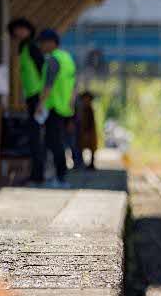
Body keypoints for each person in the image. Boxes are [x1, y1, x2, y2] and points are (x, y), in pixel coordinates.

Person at [36, 29, 76, 188]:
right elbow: (73, 84)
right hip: (64, 108)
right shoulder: (67, 59)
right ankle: (58, 177)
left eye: (43, 42)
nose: (41, 46)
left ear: (52, 42)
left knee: (54, 143)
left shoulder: (53, 59)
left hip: (53, 107)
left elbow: (48, 84)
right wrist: (71, 105)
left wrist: (40, 104)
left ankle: (60, 178)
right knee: (57, 142)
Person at [7, 18, 45, 184]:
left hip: (37, 96)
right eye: (17, 30)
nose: (20, 32)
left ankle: (38, 174)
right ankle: (36, 173)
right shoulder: (23, 48)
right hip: (31, 96)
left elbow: (41, 69)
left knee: (35, 135)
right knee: (34, 135)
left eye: (23, 29)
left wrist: (42, 100)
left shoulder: (31, 47)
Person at [77, 91, 98, 170]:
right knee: (80, 147)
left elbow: (91, 123)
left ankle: (91, 164)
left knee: (92, 148)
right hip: (83, 132)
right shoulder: (81, 110)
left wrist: (88, 133)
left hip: (90, 132)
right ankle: (80, 162)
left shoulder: (90, 110)